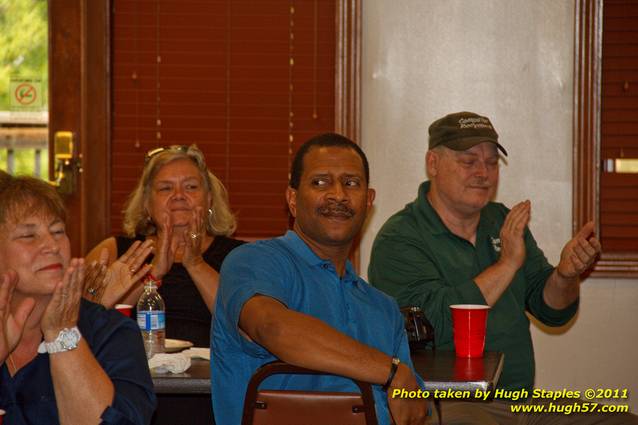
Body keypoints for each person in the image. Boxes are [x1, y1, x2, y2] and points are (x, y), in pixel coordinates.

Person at [368, 111, 638, 424]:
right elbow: (435, 324)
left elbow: (551, 310)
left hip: (524, 402)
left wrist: (565, 275)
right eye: (469, 161)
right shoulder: (400, 237)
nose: (483, 172)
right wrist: (507, 264)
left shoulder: (502, 221)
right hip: (446, 404)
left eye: (492, 162)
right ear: (433, 164)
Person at [211, 133, 428, 425]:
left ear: (369, 200)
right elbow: (271, 327)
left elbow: (411, 407)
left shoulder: (384, 309)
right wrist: (389, 371)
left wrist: (410, 393)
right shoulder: (254, 262)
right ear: (292, 198)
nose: (338, 195)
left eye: (351, 183)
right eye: (320, 182)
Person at [0, 174, 155, 424]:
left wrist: (63, 334)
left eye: (58, 231)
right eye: (29, 236)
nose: (52, 245)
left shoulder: (109, 332)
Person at [87, 144, 244, 347]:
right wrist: (153, 273)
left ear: (209, 199)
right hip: (134, 371)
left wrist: (195, 264)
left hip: (211, 374)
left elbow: (244, 326)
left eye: (191, 187)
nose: (179, 195)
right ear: (147, 204)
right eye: (166, 188)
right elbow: (84, 323)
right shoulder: (113, 251)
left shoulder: (239, 256)